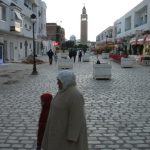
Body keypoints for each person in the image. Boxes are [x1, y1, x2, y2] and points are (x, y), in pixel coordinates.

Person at [41, 70, 88, 150]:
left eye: (59, 81)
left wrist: (72, 136)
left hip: (66, 138)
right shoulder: (63, 91)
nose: (57, 83)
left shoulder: (75, 95)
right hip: (58, 130)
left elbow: (77, 117)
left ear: (66, 81)